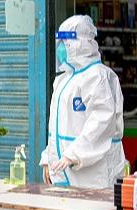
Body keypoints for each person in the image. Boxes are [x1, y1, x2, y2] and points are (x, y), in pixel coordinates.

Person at [40, 15, 126, 189]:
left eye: (66, 42)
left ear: (80, 43)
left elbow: (101, 124)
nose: (61, 48)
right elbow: (54, 127)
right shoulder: (63, 80)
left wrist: (72, 155)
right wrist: (48, 159)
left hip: (94, 176)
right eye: (60, 42)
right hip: (64, 172)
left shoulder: (99, 77)